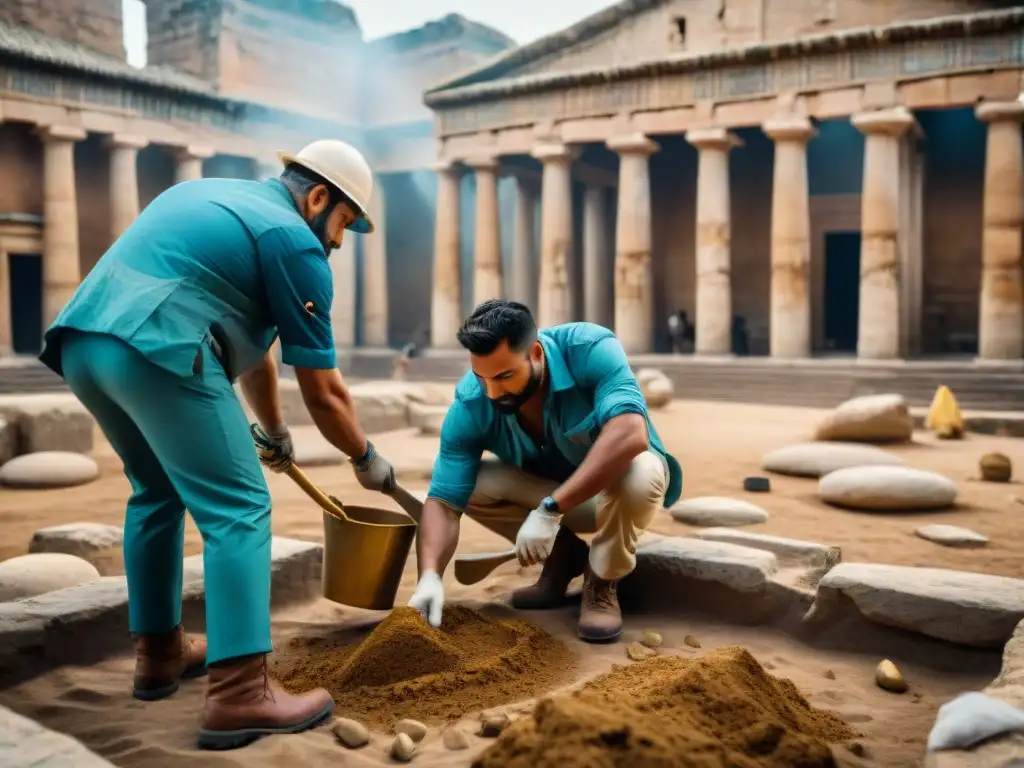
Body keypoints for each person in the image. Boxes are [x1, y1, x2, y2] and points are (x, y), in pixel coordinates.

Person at [36, 139, 398, 751]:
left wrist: (275, 434)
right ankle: (239, 694)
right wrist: (365, 458)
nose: (337, 241)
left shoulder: (206, 194)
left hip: (86, 344)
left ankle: (159, 652)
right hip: (157, 346)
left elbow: (256, 354)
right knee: (241, 509)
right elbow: (326, 392)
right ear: (317, 197)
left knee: (155, 493)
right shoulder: (295, 241)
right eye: (342, 223)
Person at [406, 300, 682, 641]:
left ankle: (601, 579)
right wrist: (430, 575)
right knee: (472, 482)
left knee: (638, 473)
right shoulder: (472, 400)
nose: (493, 392)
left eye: (505, 376)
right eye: (483, 378)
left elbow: (630, 432)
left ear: (536, 353)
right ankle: (563, 559)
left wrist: (551, 510)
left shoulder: (589, 348)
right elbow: (444, 500)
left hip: (613, 494)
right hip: (554, 500)